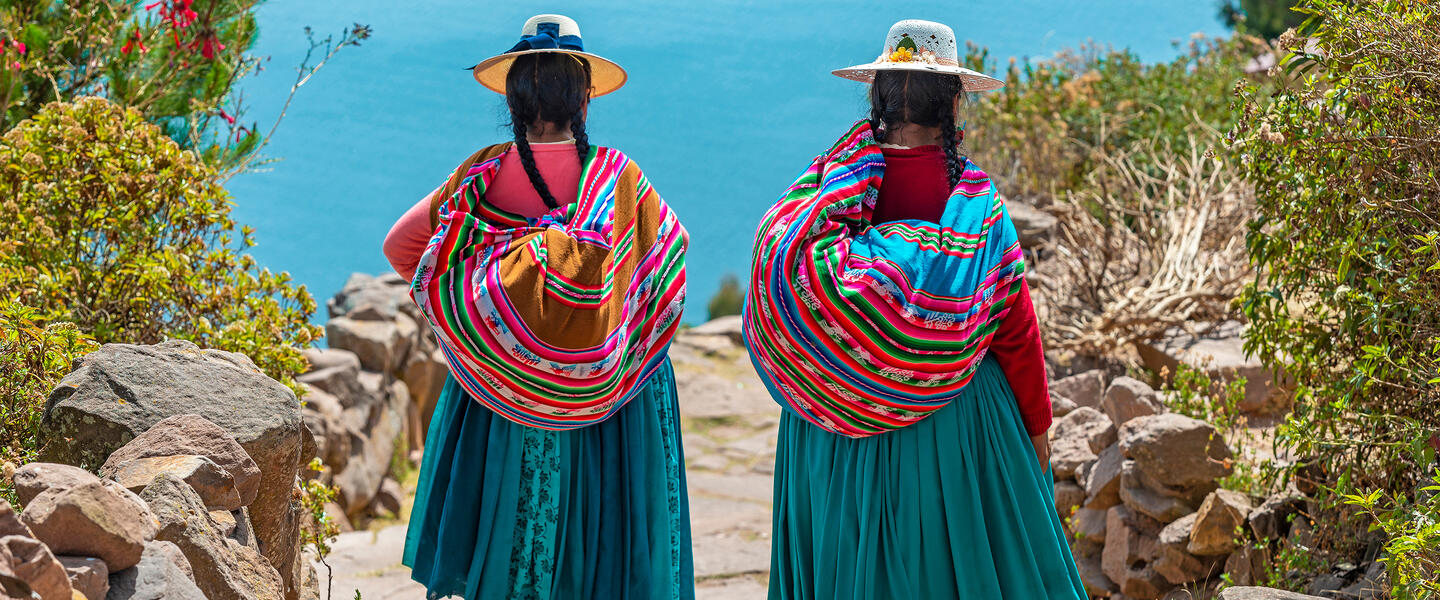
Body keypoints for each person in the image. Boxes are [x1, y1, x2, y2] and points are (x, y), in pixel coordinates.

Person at [743, 19, 1088, 600]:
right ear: (954, 102)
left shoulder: (830, 189)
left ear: (878, 96)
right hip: (952, 419)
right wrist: (1036, 430)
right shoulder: (975, 204)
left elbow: (782, 268)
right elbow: (1017, 331)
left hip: (833, 425)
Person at [383, 15, 694, 599]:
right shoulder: (620, 179)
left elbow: (402, 249)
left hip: (500, 391)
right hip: (612, 407)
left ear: (513, 97)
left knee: (510, 525)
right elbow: (668, 270)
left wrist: (482, 316)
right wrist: (605, 329)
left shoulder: (482, 175)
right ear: (583, 100)